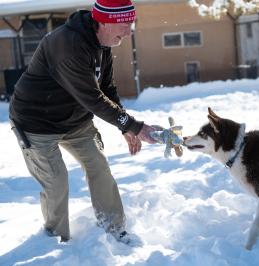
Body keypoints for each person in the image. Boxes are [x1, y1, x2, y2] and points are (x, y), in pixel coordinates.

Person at [8, 0, 155, 246]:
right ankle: (56, 241)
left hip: (76, 122)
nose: (129, 31)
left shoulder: (103, 41)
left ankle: (114, 228)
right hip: (37, 124)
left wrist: (124, 126)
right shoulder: (68, 45)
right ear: (105, 21)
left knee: (99, 167)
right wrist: (135, 126)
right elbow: (93, 98)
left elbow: (106, 87)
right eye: (125, 24)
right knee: (56, 181)